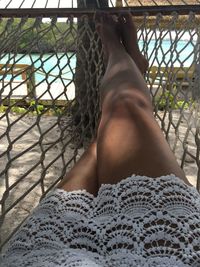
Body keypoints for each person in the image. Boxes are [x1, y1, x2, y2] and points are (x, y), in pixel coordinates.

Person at [1, 14, 200, 267]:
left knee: (109, 126)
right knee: (124, 107)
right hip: (167, 249)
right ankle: (123, 58)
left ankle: (119, 58)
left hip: (45, 253)